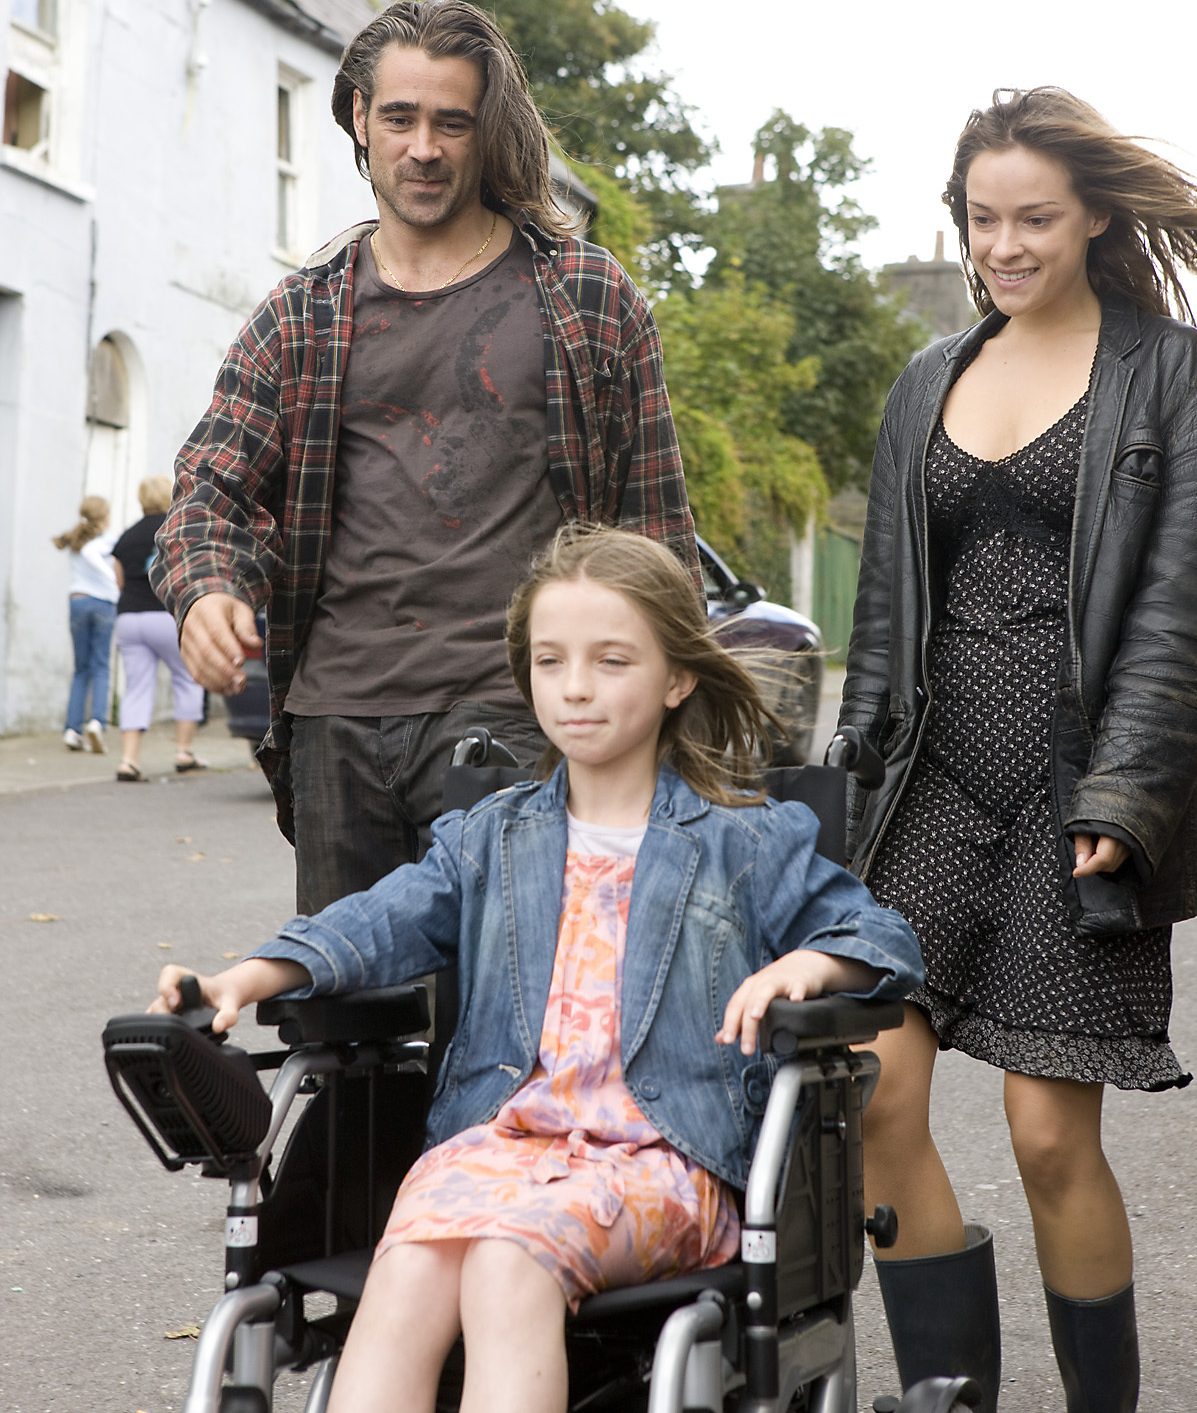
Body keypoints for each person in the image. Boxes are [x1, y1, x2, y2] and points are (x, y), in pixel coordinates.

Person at [153, 525, 921, 1413]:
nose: (576, 688)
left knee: (506, 1262)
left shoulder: (744, 840)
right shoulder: (492, 837)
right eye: (550, 662)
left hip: (660, 1158)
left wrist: (808, 966)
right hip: (494, 1145)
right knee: (407, 1270)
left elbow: (881, 939)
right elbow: (374, 921)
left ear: (676, 678)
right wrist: (244, 980)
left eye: (610, 661)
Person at [151, 0, 698, 916]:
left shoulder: (585, 296)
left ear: (488, 131)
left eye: (452, 121)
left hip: (518, 712)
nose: (424, 147)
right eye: (400, 119)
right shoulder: (300, 315)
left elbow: (655, 527)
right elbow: (210, 489)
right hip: (335, 720)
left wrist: (679, 726)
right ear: (358, 119)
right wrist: (208, 589)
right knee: (350, 1026)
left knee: (504, 1031)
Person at [840, 87, 1197, 1413]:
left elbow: (1173, 606)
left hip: (1072, 789)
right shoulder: (927, 378)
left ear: (1092, 215)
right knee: (872, 1093)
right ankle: (952, 1398)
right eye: (982, 219)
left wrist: (1129, 792)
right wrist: (842, 811)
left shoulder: (1166, 371)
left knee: (1050, 1139)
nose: (1003, 243)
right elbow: (880, 614)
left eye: (1032, 218)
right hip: (930, 787)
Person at [111, 476, 206, 782]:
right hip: (166, 616)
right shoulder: (176, 529)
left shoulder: (125, 537)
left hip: (128, 618)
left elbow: (120, 581)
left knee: (137, 687)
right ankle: (183, 752)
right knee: (187, 678)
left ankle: (128, 760)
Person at [52, 494, 118, 753]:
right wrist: (112, 579)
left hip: (77, 602)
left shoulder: (74, 539)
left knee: (80, 669)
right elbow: (102, 560)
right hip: (102, 604)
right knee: (101, 666)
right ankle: (97, 723)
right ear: (103, 518)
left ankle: (72, 729)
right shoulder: (104, 541)